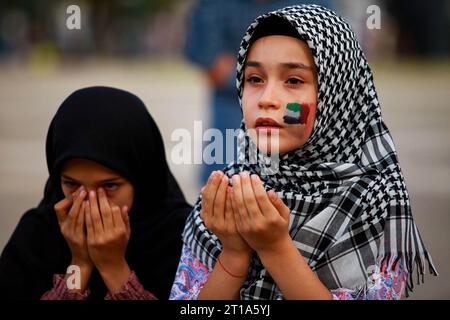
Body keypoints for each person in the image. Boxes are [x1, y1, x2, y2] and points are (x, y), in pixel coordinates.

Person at [170, 5, 438, 300]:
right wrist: (233, 255)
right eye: (255, 79)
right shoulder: (227, 192)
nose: (267, 99)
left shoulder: (376, 202)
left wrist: (275, 247)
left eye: (294, 81)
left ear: (337, 95)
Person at [0, 86, 192, 300]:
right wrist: (79, 264)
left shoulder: (182, 237)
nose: (90, 203)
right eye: (72, 185)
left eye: (110, 186)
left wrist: (114, 267)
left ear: (141, 179)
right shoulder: (37, 235)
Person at [184, 0, 332, 185]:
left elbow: (326, 62)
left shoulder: (314, 4)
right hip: (233, 109)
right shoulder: (214, 5)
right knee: (227, 188)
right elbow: (214, 65)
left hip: (296, 104)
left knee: (301, 179)